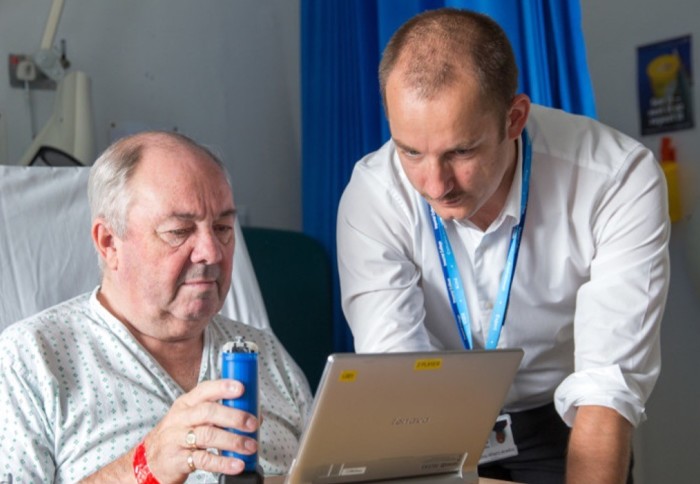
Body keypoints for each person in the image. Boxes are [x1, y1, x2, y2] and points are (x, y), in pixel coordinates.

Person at [336, 8, 670, 484]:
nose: (434, 184)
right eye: (410, 151)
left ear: (514, 119)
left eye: (461, 152)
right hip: (428, 417)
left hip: (562, 425)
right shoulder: (374, 194)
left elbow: (606, 392)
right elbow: (399, 381)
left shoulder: (617, 180)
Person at [0, 132, 313, 483]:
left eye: (223, 227)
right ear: (109, 243)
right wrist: (145, 467)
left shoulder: (266, 355)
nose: (212, 252)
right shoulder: (30, 360)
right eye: (179, 231)